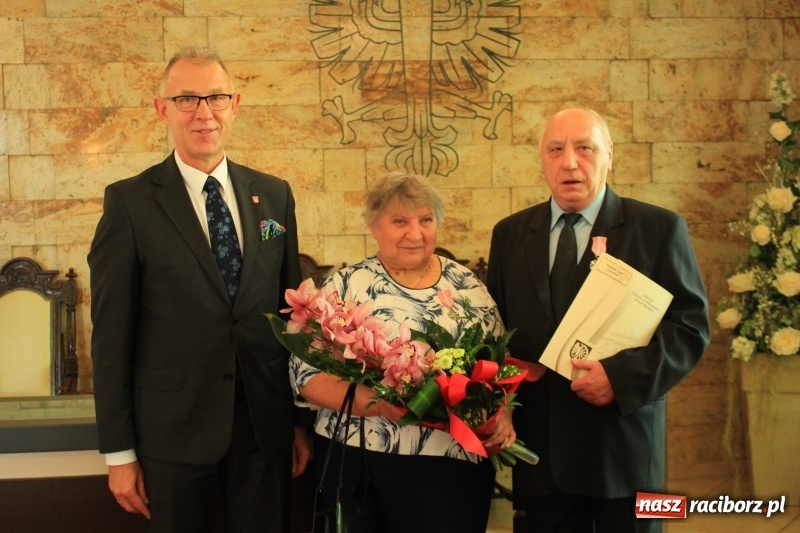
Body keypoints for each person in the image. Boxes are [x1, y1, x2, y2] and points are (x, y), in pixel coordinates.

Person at [88, 45, 311, 532]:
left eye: (215, 97)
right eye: (186, 99)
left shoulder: (275, 195)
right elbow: (110, 337)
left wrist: (298, 421)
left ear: (235, 104)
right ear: (162, 109)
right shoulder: (129, 203)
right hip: (173, 435)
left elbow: (292, 317)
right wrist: (119, 454)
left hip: (264, 429)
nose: (203, 112)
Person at [486, 108, 711, 533]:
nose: (570, 162)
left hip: (624, 452)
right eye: (556, 150)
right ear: (542, 159)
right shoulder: (510, 234)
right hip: (541, 458)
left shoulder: (658, 228)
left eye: (584, 148)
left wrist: (620, 378)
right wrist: (499, 401)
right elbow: (495, 334)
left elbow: (689, 330)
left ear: (610, 154)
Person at [289, 172, 514, 533]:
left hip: (452, 463)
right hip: (359, 461)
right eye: (400, 221)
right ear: (374, 226)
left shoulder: (467, 287)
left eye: (426, 220)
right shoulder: (346, 287)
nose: (415, 233)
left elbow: (500, 367)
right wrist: (379, 405)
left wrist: (502, 416)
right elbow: (306, 377)